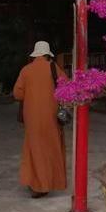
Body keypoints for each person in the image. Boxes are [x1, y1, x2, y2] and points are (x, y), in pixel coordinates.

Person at [13, 41, 67, 198]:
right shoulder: (53, 68)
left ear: (35, 54)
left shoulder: (26, 70)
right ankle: (50, 182)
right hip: (51, 116)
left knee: (34, 149)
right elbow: (66, 86)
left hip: (32, 118)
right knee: (52, 148)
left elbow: (17, 94)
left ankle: (38, 185)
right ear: (47, 54)